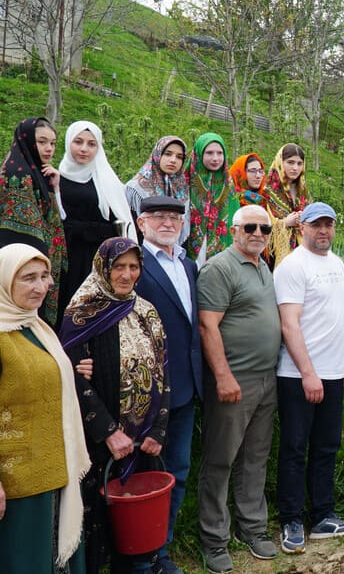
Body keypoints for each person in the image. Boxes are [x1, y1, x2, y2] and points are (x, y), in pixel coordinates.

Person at [61, 237, 170, 574]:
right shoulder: (82, 312)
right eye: (118, 267)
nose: (126, 275)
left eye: (133, 267)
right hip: (101, 440)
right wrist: (108, 432)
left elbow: (164, 372)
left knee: (139, 517)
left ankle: (141, 565)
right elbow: (75, 380)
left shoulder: (146, 310)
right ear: (103, 268)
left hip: (144, 438)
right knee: (100, 514)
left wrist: (159, 430)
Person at [196, 205, 282, 572]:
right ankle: (214, 539)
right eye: (250, 226)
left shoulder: (264, 265)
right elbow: (207, 327)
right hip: (235, 380)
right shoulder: (220, 267)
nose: (258, 232)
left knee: (255, 457)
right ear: (234, 230)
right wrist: (224, 376)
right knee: (221, 459)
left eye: (265, 227)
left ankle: (252, 527)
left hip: (267, 378)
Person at [0, 244, 89, 574]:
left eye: (44, 276)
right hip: (17, 481)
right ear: (5, 281)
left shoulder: (36, 327)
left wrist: (70, 371)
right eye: (28, 279)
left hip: (54, 469)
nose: (41, 287)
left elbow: (42, 379)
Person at [274, 202, 344, 554]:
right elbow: (289, 324)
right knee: (295, 447)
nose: (323, 230)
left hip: (334, 372)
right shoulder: (292, 266)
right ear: (302, 227)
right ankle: (291, 519)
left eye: (329, 224)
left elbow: (339, 318)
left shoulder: (337, 263)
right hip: (298, 374)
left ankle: (322, 514)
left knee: (326, 446)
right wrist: (308, 373)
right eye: (316, 224)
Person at [132, 196, 201, 574]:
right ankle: (139, 557)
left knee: (178, 470)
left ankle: (162, 550)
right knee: (146, 475)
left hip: (185, 386)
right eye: (157, 216)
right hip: (146, 391)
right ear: (141, 223)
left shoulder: (187, 265)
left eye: (174, 217)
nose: (166, 223)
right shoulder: (134, 265)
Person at [57, 120, 135, 326]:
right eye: (78, 142)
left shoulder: (105, 179)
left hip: (96, 260)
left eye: (91, 144)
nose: (84, 149)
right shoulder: (56, 177)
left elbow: (118, 222)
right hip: (64, 260)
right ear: (68, 142)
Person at [0, 117, 66, 326]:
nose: (49, 148)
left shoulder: (38, 172)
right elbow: (26, 232)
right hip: (24, 267)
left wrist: (55, 187)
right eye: (42, 142)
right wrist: (42, 271)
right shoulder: (17, 175)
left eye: (53, 143)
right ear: (27, 140)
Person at [185, 133, 237, 267]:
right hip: (188, 252)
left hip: (222, 255)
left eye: (220, 153)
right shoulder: (185, 181)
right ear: (199, 154)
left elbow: (234, 216)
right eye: (209, 153)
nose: (215, 158)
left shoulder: (228, 185)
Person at [124, 136, 189, 243]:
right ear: (157, 154)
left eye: (179, 157)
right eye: (168, 154)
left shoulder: (182, 188)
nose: (173, 160)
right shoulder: (136, 187)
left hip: (174, 252)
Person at [264, 143, 311, 268]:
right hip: (274, 256)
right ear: (280, 162)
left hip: (304, 252)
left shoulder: (304, 192)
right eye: (290, 162)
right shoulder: (269, 192)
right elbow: (261, 228)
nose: (295, 168)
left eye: (299, 163)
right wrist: (285, 223)